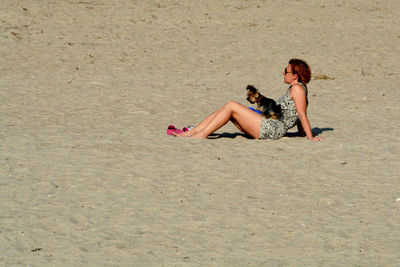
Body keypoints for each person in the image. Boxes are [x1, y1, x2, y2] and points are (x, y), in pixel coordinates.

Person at [173, 59, 323, 141]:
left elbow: (302, 114)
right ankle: (196, 131)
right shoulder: (296, 88)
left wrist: (310, 137)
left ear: (295, 76)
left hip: (273, 128)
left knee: (232, 105)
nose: (283, 73)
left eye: (286, 71)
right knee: (228, 107)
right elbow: (297, 115)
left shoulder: (297, 89)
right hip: (271, 122)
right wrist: (302, 133)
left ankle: (200, 134)